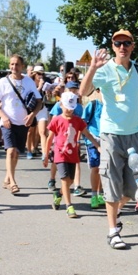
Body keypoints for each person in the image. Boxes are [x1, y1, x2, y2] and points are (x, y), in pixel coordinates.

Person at [79, 30, 138, 249]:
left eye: (126, 43)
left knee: (134, 188)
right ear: (112, 46)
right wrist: (92, 67)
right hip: (111, 134)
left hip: (135, 135)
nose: (122, 47)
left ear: (133, 45)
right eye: (118, 43)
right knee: (110, 180)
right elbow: (83, 90)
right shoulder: (104, 69)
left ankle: (115, 212)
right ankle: (112, 231)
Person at [43, 91, 100, 219]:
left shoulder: (78, 120)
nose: (69, 110)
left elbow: (87, 134)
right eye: (66, 107)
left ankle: (58, 195)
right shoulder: (56, 120)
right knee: (64, 178)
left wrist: (97, 145)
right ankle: (69, 206)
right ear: (61, 105)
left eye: (71, 108)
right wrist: (46, 155)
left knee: (69, 181)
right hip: (60, 154)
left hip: (73, 154)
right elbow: (49, 138)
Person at [0, 54, 42, 195]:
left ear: (22, 66)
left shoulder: (28, 82)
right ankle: (13, 182)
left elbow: (39, 102)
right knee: (11, 151)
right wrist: (3, 117)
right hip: (7, 123)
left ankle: (7, 178)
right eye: (12, 64)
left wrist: (32, 115)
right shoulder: (3, 82)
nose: (14, 67)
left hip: (23, 123)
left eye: (17, 64)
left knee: (16, 153)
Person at [48, 81, 87, 197]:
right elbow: (54, 123)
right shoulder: (60, 104)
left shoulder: (78, 107)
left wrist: (78, 140)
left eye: (75, 90)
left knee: (69, 178)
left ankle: (68, 189)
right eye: (70, 90)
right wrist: (49, 147)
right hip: (59, 142)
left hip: (73, 141)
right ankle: (53, 180)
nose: (73, 92)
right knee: (59, 165)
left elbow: (80, 125)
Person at [82, 89, 106, 210]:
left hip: (107, 140)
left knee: (104, 168)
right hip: (93, 140)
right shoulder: (93, 105)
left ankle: (101, 193)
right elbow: (82, 125)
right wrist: (94, 142)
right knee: (95, 168)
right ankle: (94, 195)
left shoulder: (111, 106)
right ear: (98, 90)